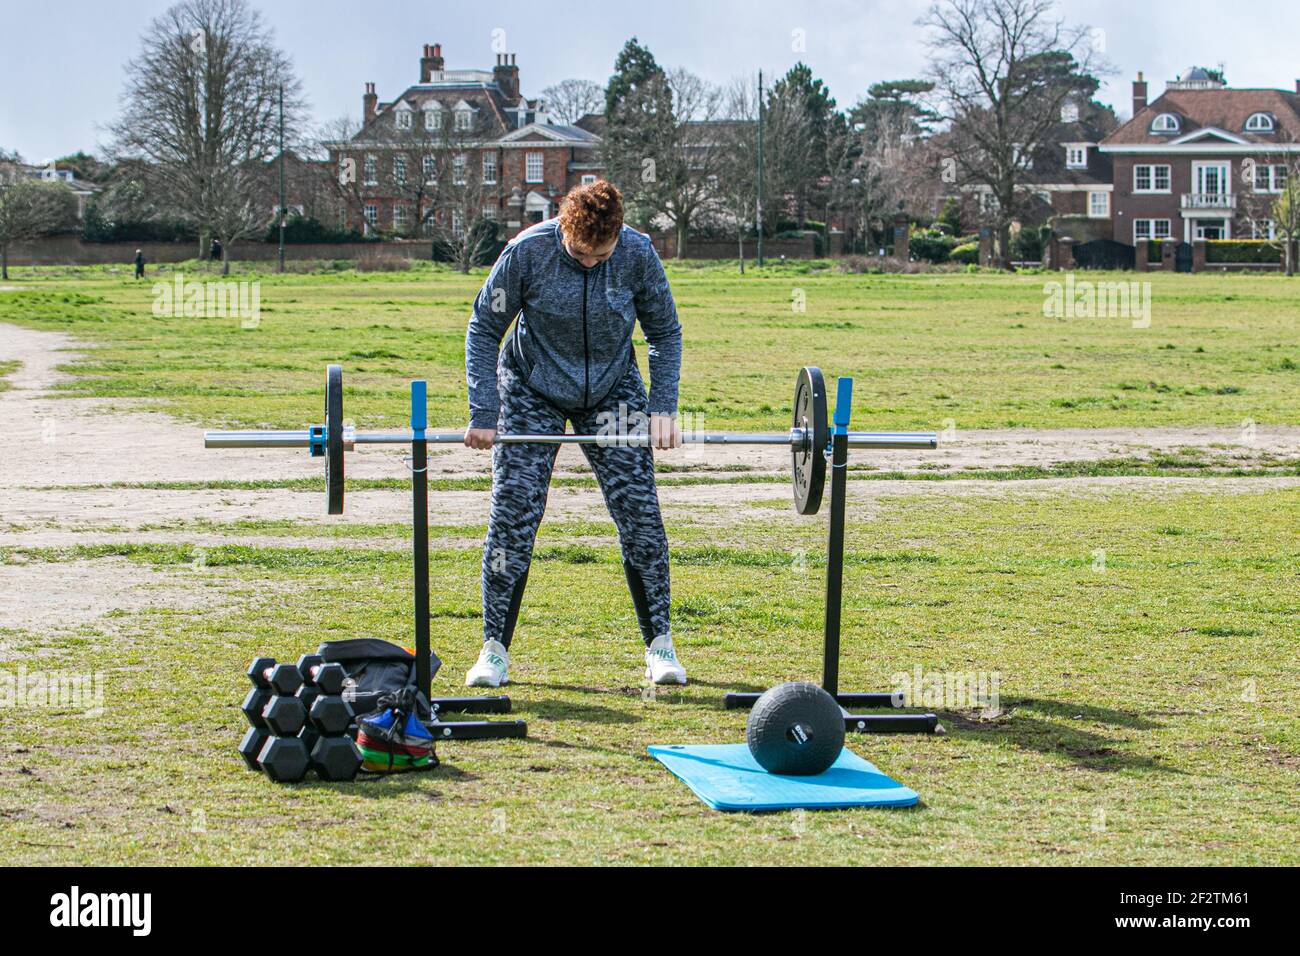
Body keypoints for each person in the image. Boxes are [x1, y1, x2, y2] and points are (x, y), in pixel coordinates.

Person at [463, 180, 685, 688]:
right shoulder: (526, 252)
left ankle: (660, 646)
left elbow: (665, 332)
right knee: (513, 511)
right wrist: (484, 410)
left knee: (640, 514)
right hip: (530, 386)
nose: (590, 262)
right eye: (581, 254)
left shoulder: (638, 254)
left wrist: (663, 408)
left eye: (600, 255)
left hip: (612, 388)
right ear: (564, 229)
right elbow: (482, 328)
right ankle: (493, 649)